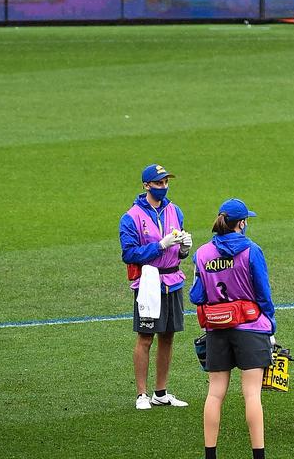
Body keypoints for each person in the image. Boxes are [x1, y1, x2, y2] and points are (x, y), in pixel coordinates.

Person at [191, 198, 275, 459]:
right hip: (251, 326)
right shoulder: (251, 250)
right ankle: (258, 455)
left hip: (217, 328)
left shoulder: (203, 253)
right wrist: (270, 322)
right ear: (241, 223)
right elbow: (263, 293)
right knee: (251, 394)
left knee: (215, 393)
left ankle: (210, 454)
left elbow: (196, 295)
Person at [120, 163, 192, 410]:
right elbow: (129, 254)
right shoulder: (131, 217)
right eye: (159, 183)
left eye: (166, 182)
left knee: (168, 335)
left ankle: (160, 392)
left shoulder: (175, 210)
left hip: (173, 279)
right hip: (149, 281)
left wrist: (183, 248)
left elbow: (178, 247)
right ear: (146, 186)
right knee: (145, 337)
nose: (163, 187)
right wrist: (160, 245)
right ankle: (141, 394)